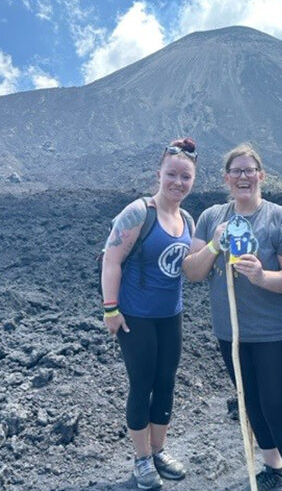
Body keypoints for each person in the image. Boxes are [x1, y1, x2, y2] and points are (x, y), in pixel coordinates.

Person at [183, 143, 282, 491]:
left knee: (280, 408)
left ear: (261, 175)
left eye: (249, 170)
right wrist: (213, 245)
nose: (243, 176)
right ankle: (275, 470)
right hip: (232, 333)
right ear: (227, 178)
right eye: (236, 170)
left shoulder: (280, 217)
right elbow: (192, 272)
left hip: (277, 333)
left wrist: (262, 277)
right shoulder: (212, 217)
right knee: (251, 403)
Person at [101, 138, 197, 490]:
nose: (178, 182)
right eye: (171, 174)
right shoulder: (139, 212)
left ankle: (158, 452)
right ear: (159, 174)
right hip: (136, 317)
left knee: (166, 384)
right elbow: (111, 259)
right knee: (142, 385)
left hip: (171, 315)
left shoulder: (187, 218)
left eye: (185, 176)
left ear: (193, 180)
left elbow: (190, 265)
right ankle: (142, 460)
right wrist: (111, 309)